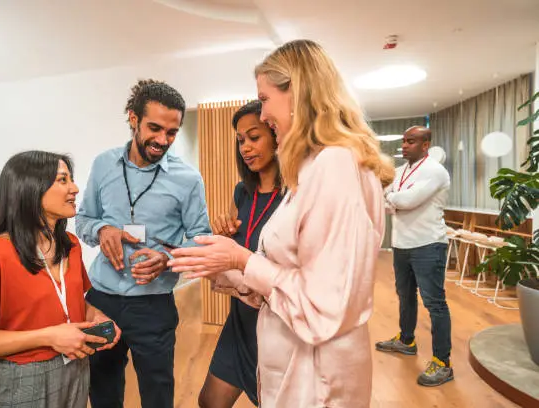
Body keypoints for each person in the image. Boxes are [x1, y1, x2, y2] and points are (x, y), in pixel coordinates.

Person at [168, 39, 394, 408]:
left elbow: (320, 308)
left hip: (314, 378)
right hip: (291, 358)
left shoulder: (333, 165)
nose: (264, 113)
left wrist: (241, 259)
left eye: (265, 99)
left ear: (297, 92)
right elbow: (288, 279)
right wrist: (216, 263)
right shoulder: (317, 167)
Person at [76, 79, 211, 408]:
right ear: (133, 118)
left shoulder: (188, 179)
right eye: (155, 128)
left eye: (172, 132)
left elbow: (201, 238)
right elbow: (83, 219)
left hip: (153, 306)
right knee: (102, 389)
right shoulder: (103, 164)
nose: (163, 140)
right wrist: (102, 229)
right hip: (100, 300)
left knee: (157, 395)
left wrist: (168, 259)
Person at [0, 151, 121, 408]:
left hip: (77, 367)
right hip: (25, 377)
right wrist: (48, 337)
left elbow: (75, 302)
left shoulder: (71, 245)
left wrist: (95, 316)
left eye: (71, 179)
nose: (75, 188)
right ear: (30, 188)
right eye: (63, 180)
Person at [199, 100, 282, 408]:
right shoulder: (242, 192)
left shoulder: (295, 196)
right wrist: (223, 233)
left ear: (276, 136)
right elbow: (235, 247)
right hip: (241, 318)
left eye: (254, 137)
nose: (245, 147)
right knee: (210, 401)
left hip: (277, 324)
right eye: (240, 140)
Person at [376, 126, 453, 387]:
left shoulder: (435, 171)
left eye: (411, 141)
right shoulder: (400, 172)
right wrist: (394, 199)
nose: (404, 146)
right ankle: (406, 340)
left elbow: (407, 201)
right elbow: (386, 202)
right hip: (402, 245)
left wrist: (393, 198)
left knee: (435, 304)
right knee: (405, 296)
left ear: (425, 145)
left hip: (428, 245)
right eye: (404, 141)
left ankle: (443, 362)